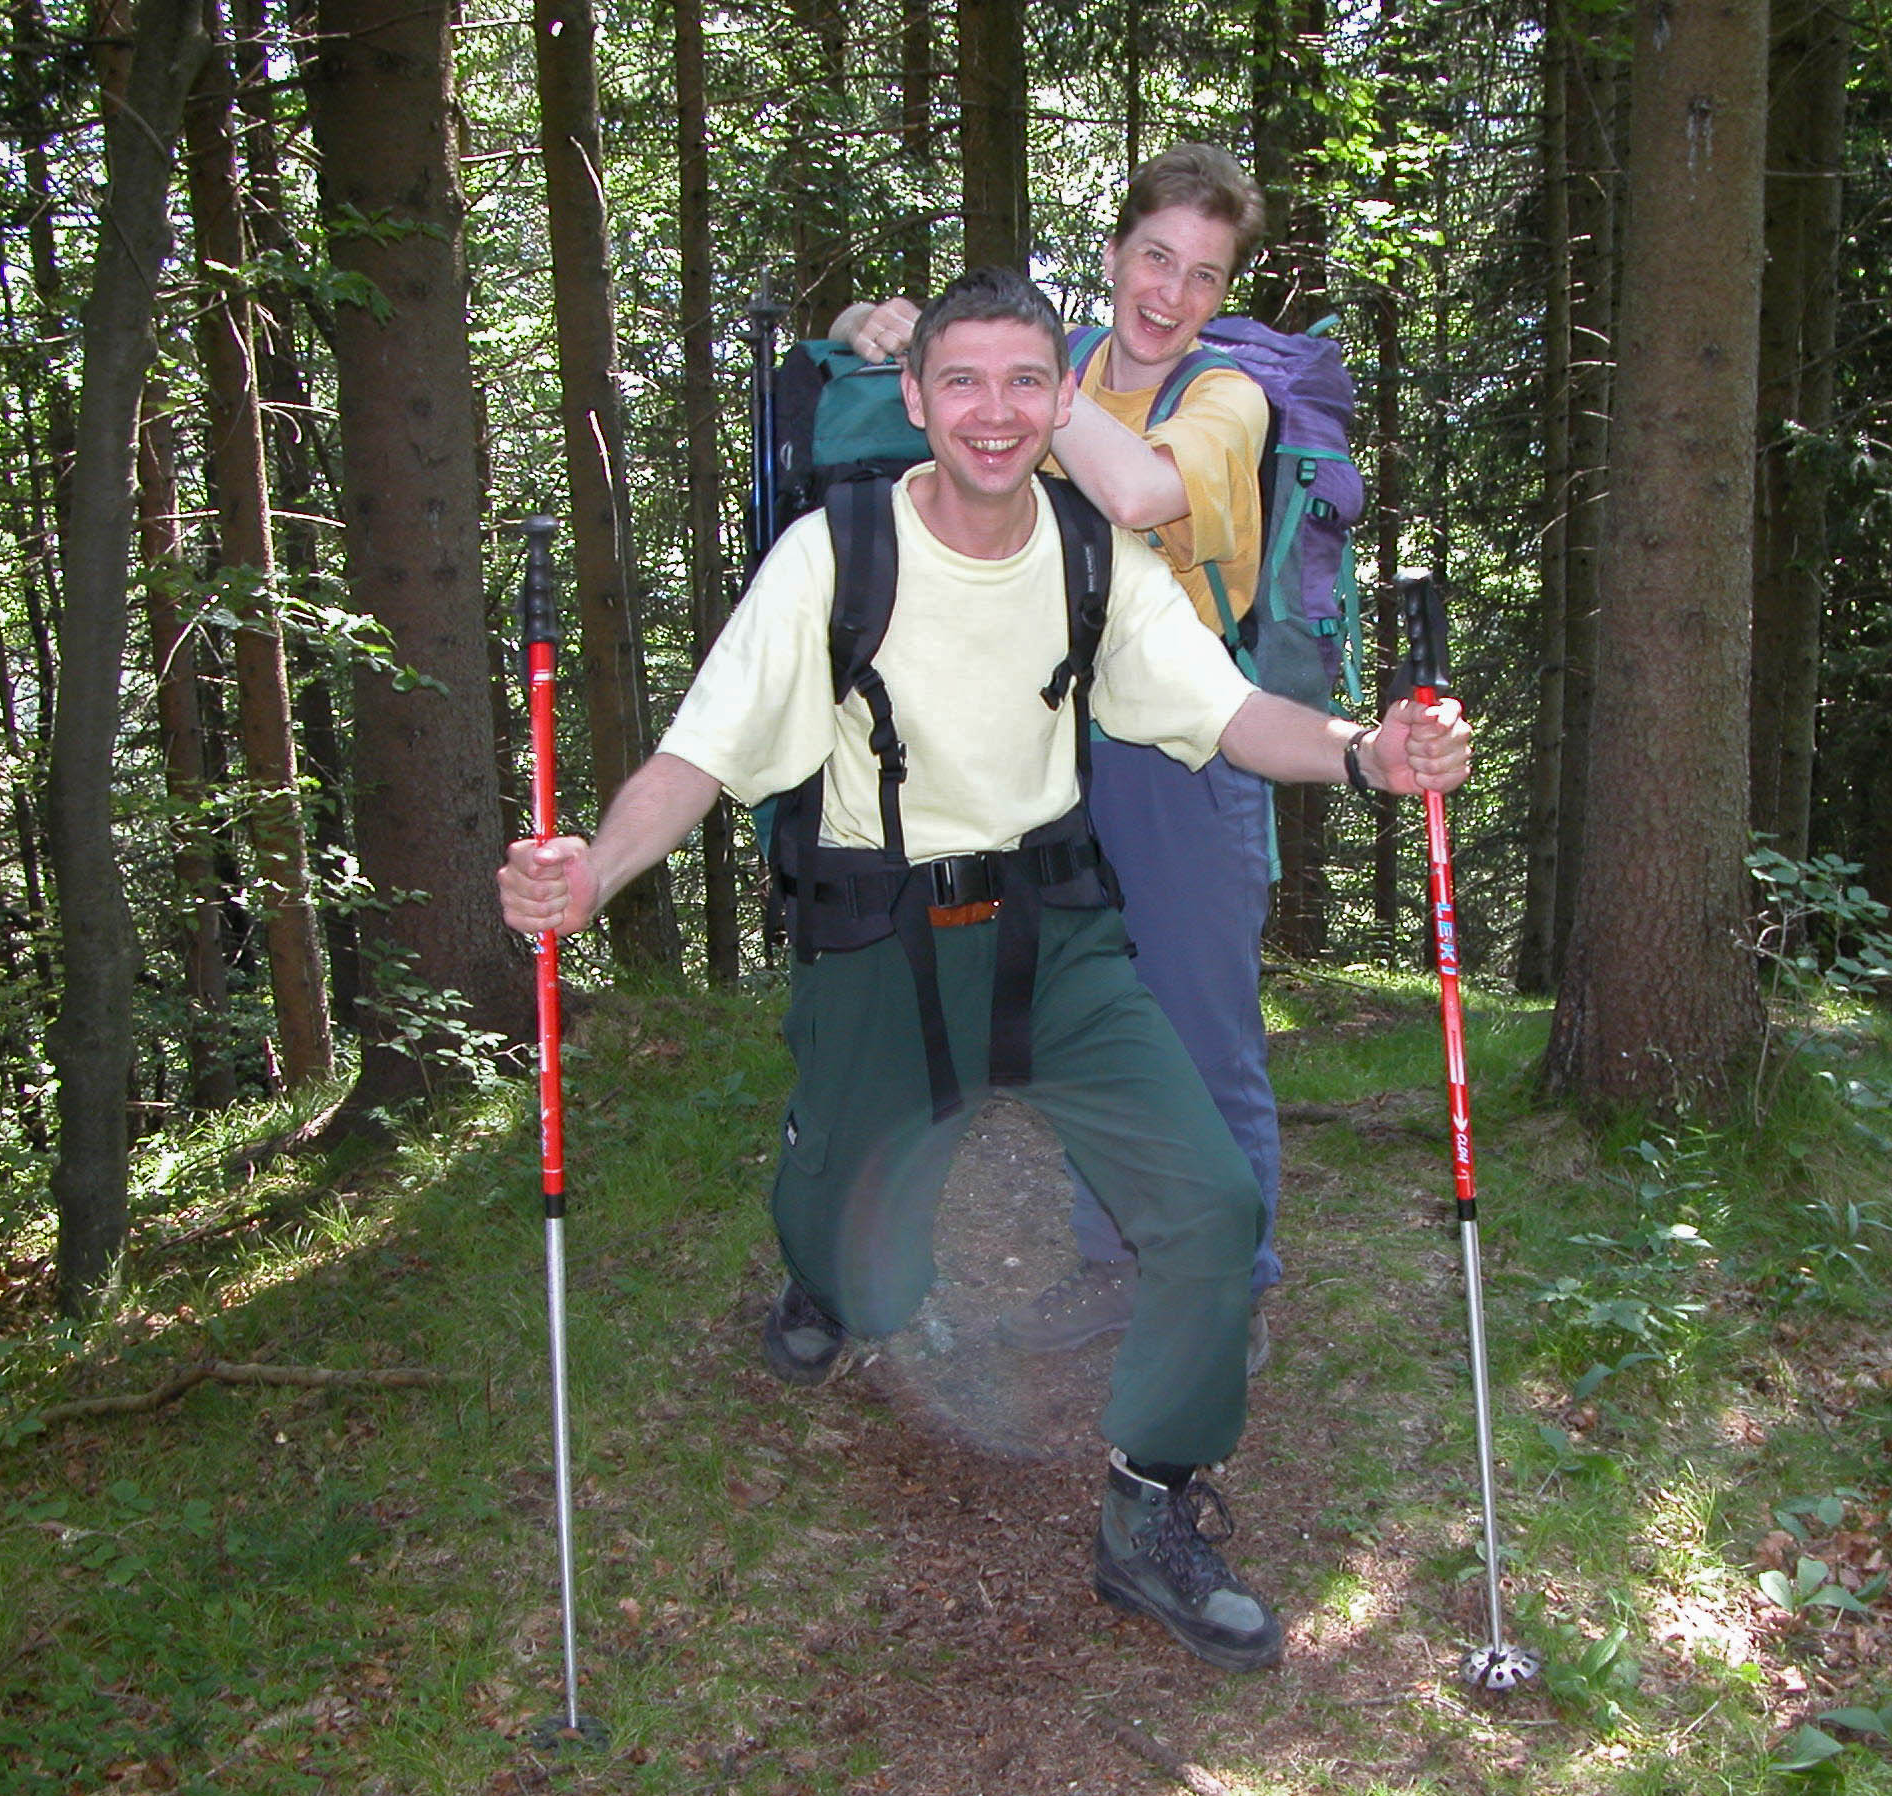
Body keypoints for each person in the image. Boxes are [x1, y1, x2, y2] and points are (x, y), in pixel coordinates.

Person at [499, 268, 1470, 1673]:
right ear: (915, 399)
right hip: (872, 937)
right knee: (862, 1268)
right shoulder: (833, 556)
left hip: (1055, 935)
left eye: (1026, 381)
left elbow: (1228, 713)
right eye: (963, 381)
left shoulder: (1093, 554)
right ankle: (828, 1276)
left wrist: (1366, 754)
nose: (995, 412)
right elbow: (698, 756)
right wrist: (590, 873)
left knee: (1207, 1206)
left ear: (1063, 397)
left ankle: (1150, 1505)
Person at [834, 145, 1288, 1372]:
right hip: (1048, 734)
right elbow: (935, 401)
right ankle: (1108, 1263)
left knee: (1202, 1020)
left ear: (1223, 292)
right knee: (1086, 1017)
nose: (1170, 293)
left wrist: (1034, 388)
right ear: (1112, 254)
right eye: (1154, 257)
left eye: (1204, 274)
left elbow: (1136, 494)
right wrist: (882, 325)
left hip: (1185, 747)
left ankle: (1227, 1290)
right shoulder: (1059, 362)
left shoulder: (1226, 397)